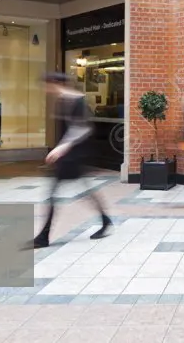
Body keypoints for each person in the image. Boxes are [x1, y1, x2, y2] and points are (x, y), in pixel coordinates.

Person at [24, 73, 112, 249]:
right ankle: (105, 220)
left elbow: (82, 128)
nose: (46, 89)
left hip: (74, 155)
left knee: (55, 194)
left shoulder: (76, 100)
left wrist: (61, 147)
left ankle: (43, 237)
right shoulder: (63, 100)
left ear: (55, 83)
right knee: (83, 191)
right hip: (70, 155)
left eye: (47, 84)